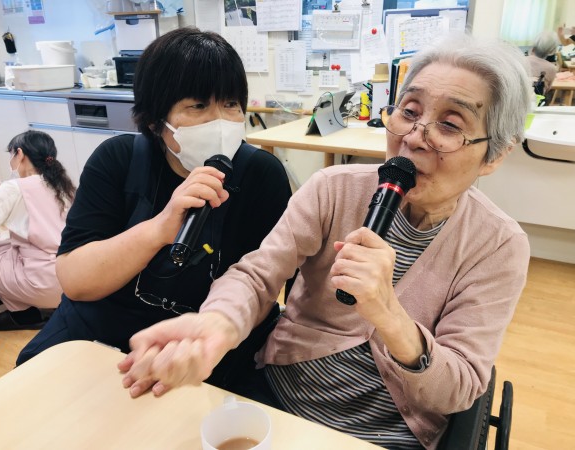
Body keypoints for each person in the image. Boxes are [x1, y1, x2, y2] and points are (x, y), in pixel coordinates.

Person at [119, 33, 531, 450]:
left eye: (450, 125)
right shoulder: (333, 189)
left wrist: (390, 316)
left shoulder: (497, 245)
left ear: (495, 155)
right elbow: (259, 274)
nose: (414, 136)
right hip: (281, 397)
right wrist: (218, 324)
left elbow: (459, 389)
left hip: (390, 430)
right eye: (409, 111)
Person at [16, 27, 292, 389]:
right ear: (154, 120)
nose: (220, 121)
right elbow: (75, 281)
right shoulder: (117, 159)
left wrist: (205, 339)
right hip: (99, 329)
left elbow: (262, 286)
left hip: (200, 343)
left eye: (230, 104)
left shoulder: (261, 175)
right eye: (198, 106)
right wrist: (160, 228)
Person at [0, 130, 75, 331]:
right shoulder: (63, 185)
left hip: (42, 281)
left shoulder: (14, 188)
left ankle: (23, 316)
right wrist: (1, 191)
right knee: (1, 246)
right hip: (72, 276)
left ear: (19, 154)